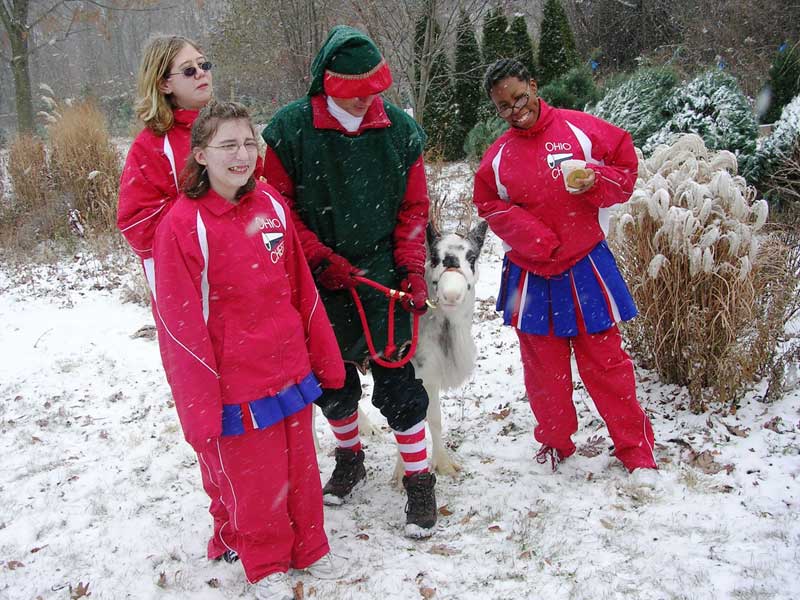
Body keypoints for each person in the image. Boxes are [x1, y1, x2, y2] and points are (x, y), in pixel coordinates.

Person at [152, 101, 346, 600]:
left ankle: (310, 545)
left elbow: (301, 289)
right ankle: (265, 562)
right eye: (228, 145)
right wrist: (200, 405)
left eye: (248, 143)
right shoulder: (182, 225)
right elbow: (179, 329)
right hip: (237, 384)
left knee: (301, 469)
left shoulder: (272, 206)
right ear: (200, 154)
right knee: (255, 483)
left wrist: (322, 356)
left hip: (290, 372)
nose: (242, 155)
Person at [261, 25, 437, 537]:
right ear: (327, 86)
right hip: (317, 274)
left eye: (373, 92)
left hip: (382, 269)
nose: (365, 102)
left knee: (399, 379)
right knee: (332, 381)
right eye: (353, 93)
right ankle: (350, 457)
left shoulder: (401, 132)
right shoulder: (290, 130)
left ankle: (420, 479)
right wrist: (317, 258)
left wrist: (409, 268)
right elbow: (278, 207)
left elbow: (412, 209)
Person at [473, 59, 658, 476]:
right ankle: (554, 442)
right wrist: (532, 235)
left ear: (534, 87)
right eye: (504, 106)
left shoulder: (580, 129)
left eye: (520, 97)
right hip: (530, 273)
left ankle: (634, 449)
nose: (515, 110)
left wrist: (597, 180)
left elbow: (625, 170)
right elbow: (487, 203)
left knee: (607, 366)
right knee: (544, 373)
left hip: (586, 265)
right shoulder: (497, 156)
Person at [118, 34, 214, 288]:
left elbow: (257, 189)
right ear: (164, 85)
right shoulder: (151, 144)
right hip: (189, 283)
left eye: (204, 65)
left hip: (242, 269)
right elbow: (138, 226)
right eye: (189, 70)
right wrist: (209, 213)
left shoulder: (228, 125)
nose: (201, 74)